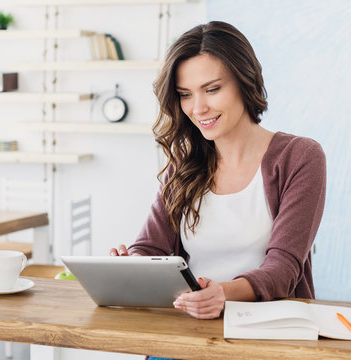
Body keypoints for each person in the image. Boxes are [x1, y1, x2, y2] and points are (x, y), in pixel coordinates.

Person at [110, 21, 326, 321]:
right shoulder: (185, 164)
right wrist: (132, 265)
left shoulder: (300, 157)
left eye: (211, 89)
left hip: (267, 331)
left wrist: (222, 294)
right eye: (185, 94)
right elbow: (150, 246)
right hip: (190, 331)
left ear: (244, 80)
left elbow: (284, 268)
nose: (198, 108)